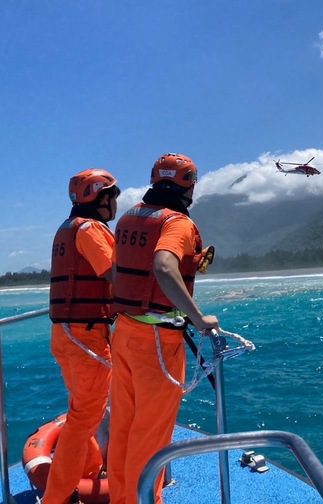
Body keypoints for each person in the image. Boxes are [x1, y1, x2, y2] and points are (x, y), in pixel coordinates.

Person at [108, 153, 218, 504]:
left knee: (124, 428)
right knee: (150, 437)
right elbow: (164, 265)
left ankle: (124, 499)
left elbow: (118, 270)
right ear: (189, 184)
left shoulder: (127, 218)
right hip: (157, 340)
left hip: (124, 332)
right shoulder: (177, 224)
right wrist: (199, 318)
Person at [45, 169, 120, 504]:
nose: (116, 201)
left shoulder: (67, 228)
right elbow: (116, 276)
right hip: (86, 337)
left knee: (83, 412)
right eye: (112, 195)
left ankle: (90, 472)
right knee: (83, 419)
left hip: (65, 335)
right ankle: (56, 498)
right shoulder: (91, 230)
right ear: (98, 197)